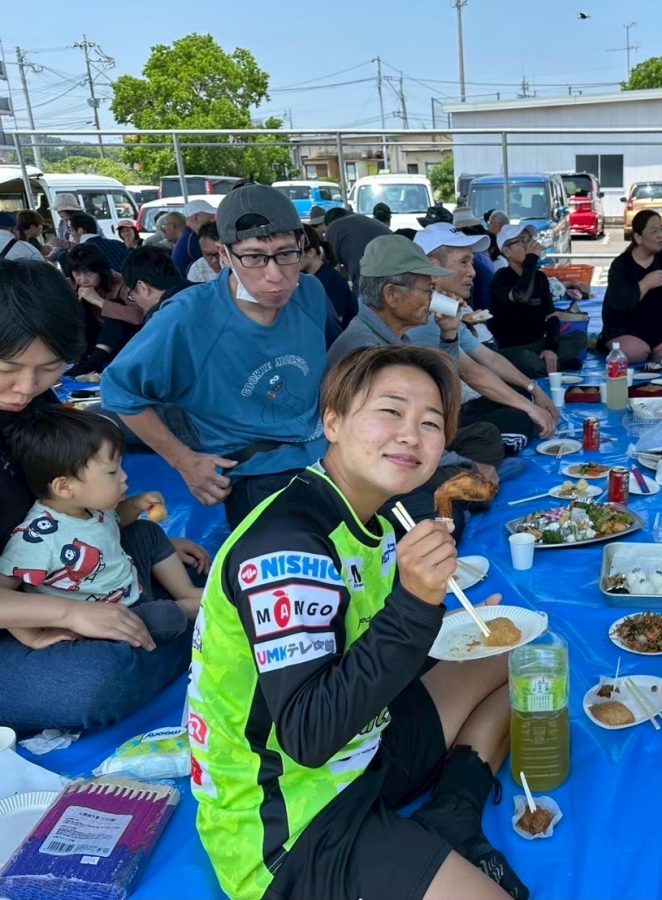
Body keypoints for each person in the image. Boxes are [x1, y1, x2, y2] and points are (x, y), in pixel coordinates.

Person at [189, 345, 526, 900]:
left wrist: (442, 629)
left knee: (513, 655)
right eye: (390, 411)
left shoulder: (379, 518)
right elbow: (309, 736)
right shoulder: (287, 548)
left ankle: (453, 812)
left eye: (431, 423)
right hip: (289, 815)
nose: (411, 435)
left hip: (366, 747)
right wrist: (416, 606)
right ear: (333, 422)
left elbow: (372, 646)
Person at [0, 259, 204, 734]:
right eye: (8, 369)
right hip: (24, 607)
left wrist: (120, 535)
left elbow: (68, 497)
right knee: (93, 685)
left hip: (57, 575)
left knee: (179, 561)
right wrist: (70, 613)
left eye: (49, 369)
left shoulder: (32, 404)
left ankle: (164, 617)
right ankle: (188, 622)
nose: (26, 388)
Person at [102, 183, 331, 527]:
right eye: (254, 257)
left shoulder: (310, 292)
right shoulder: (188, 317)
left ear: (302, 245)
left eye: (286, 254)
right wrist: (185, 461)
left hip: (328, 454)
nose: (275, 276)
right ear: (224, 255)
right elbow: (119, 391)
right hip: (257, 471)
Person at [327, 235, 504, 520]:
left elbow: (443, 396)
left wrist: (449, 334)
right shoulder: (366, 351)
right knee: (445, 516)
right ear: (392, 295)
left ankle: (463, 491)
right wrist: (466, 465)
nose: (433, 300)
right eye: (427, 290)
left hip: (415, 443)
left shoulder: (393, 338)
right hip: (379, 464)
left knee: (486, 437)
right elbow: (392, 440)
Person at [0, 406, 201, 616]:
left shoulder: (90, 507)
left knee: (146, 530)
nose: (124, 477)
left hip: (129, 585)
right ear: (65, 487)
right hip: (117, 617)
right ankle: (190, 608)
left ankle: (186, 592)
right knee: (163, 617)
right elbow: (4, 593)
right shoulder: (37, 540)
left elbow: (114, 522)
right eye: (112, 472)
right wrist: (35, 633)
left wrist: (135, 505)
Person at [414, 223, 558, 452]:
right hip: (428, 419)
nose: (472, 271)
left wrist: (534, 390)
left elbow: (488, 357)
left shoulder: (442, 304)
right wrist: (531, 408)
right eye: (463, 262)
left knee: (521, 395)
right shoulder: (421, 311)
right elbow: (472, 373)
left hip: (451, 405)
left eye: (471, 262)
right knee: (519, 419)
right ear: (433, 266)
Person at [489, 223, 586, 376]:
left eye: (529, 240)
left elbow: (551, 316)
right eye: (522, 241)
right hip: (512, 349)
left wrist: (550, 348)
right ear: (507, 251)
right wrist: (531, 259)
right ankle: (555, 366)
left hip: (538, 344)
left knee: (579, 338)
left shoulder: (539, 277)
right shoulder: (501, 277)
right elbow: (521, 295)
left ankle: (547, 364)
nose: (528, 245)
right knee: (526, 360)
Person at [599, 210, 662, 364]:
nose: (661, 236)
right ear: (638, 237)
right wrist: (645, 284)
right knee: (633, 352)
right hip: (625, 328)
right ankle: (645, 352)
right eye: (654, 231)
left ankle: (656, 353)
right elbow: (619, 304)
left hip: (659, 327)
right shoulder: (621, 265)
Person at [64, 242, 138, 376]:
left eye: (88, 273)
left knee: (116, 305)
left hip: (123, 341)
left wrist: (98, 301)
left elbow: (138, 316)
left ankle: (94, 361)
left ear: (100, 271)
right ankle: (82, 359)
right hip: (92, 340)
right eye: (77, 274)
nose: (83, 280)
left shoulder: (121, 283)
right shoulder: (73, 284)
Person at [301, 223, 357, 329]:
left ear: (311, 252)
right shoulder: (309, 278)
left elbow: (333, 326)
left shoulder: (332, 282)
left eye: (293, 252)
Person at [121, 244, 191, 325]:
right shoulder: (204, 287)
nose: (137, 303)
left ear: (142, 287)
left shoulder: (158, 324)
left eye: (132, 296)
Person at [326, 212, 391, 287]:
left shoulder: (334, 227)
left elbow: (332, 264)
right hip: (395, 273)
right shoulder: (367, 222)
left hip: (367, 280)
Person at [173, 198, 217, 278]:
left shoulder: (188, 235)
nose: (213, 220)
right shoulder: (193, 240)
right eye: (210, 217)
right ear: (196, 218)